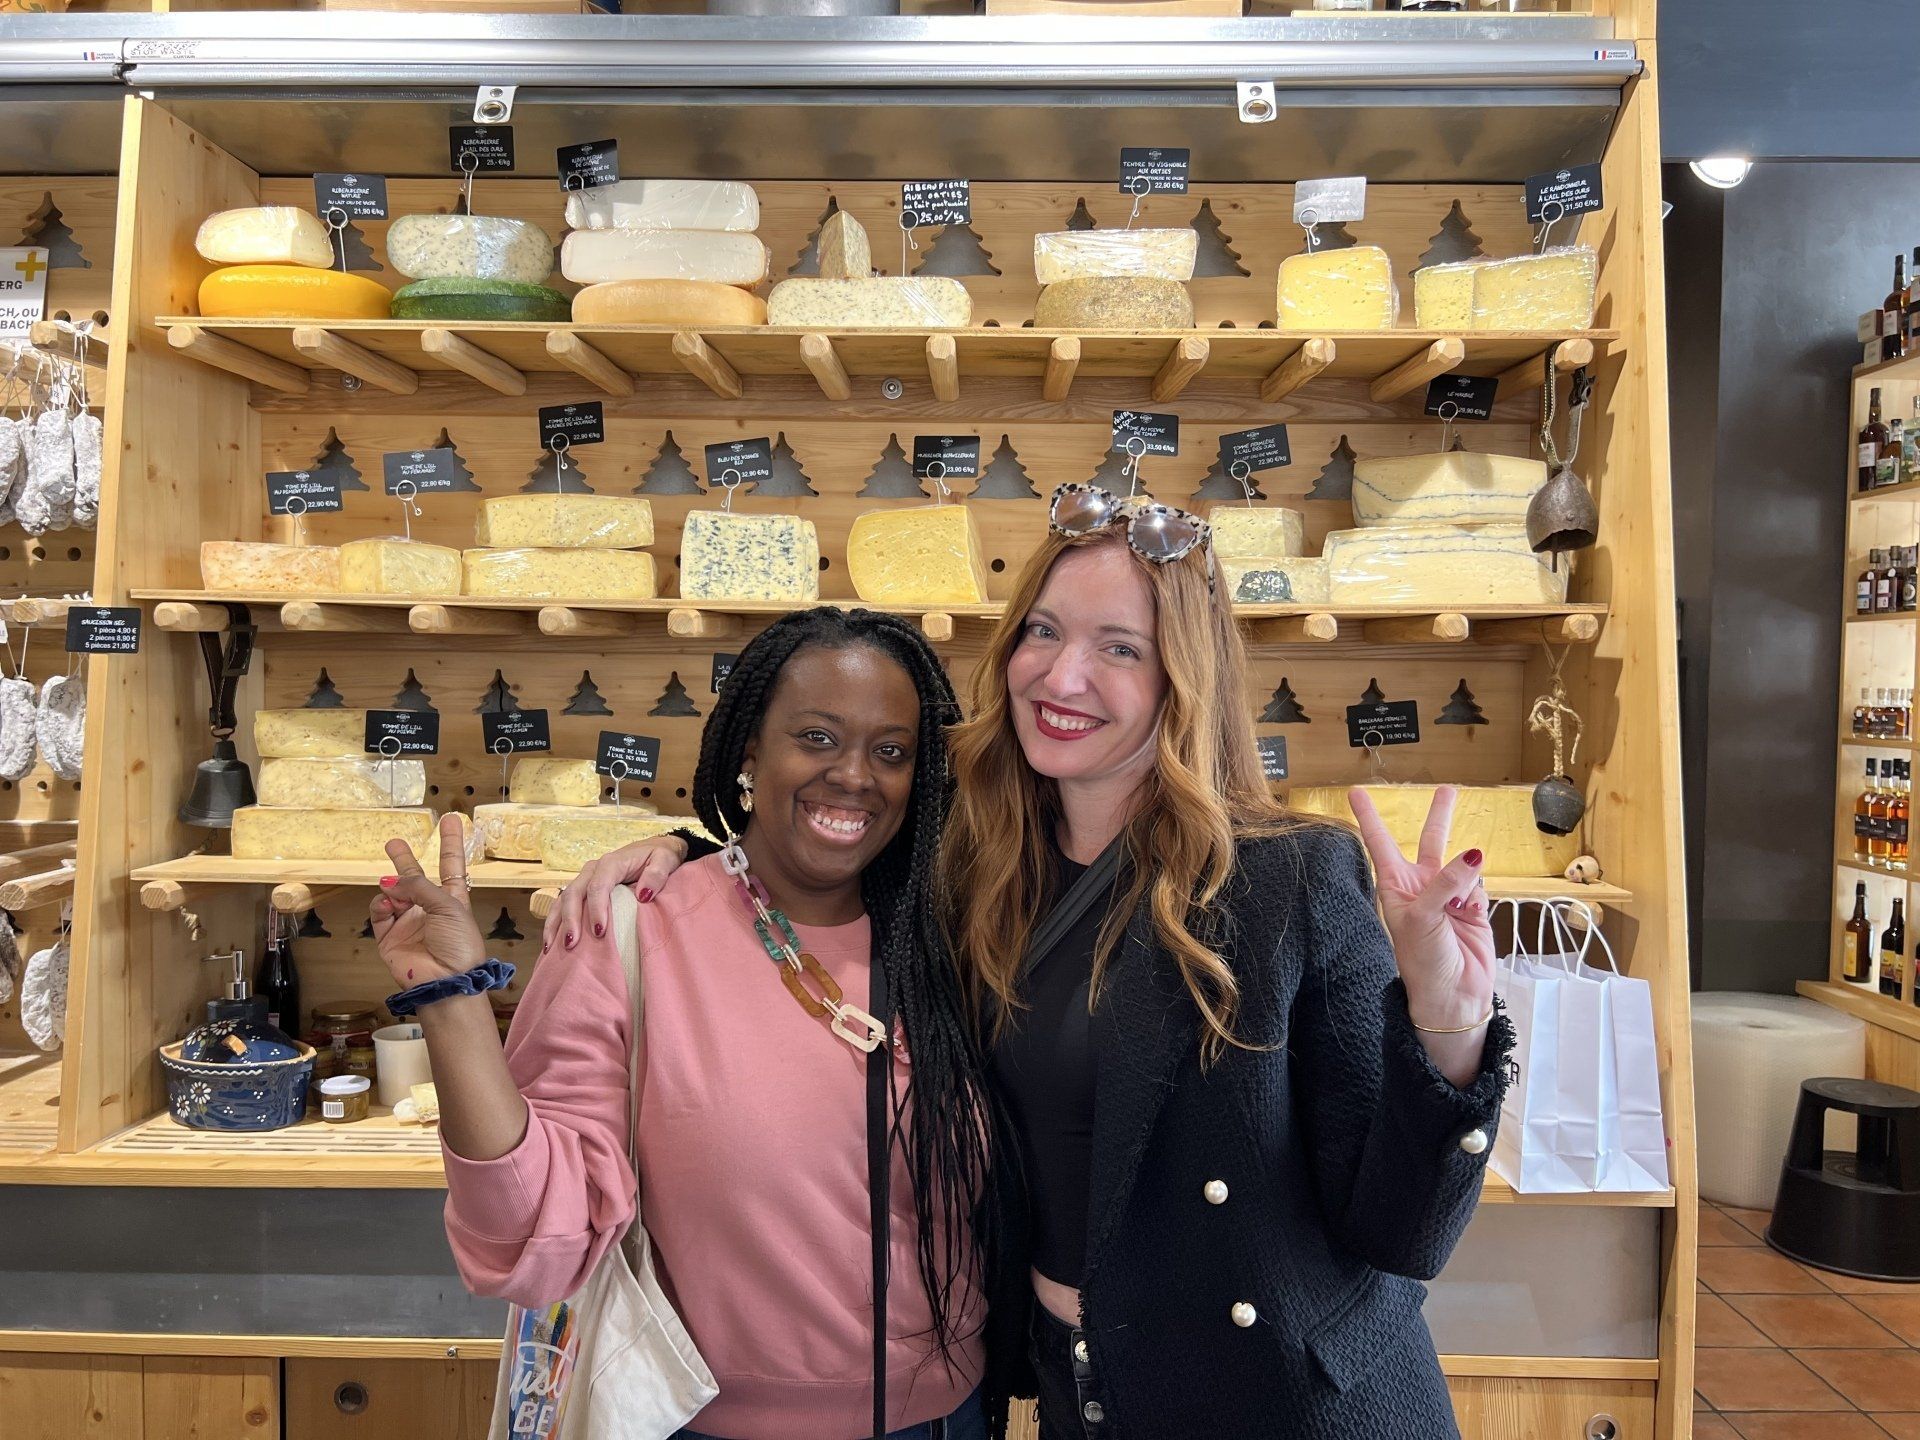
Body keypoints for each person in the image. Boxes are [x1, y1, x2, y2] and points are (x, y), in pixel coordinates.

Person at [544, 483, 1514, 1439]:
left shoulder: (1286, 877)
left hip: (1276, 1400)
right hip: (1075, 1392)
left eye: (1119, 649)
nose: (1061, 677)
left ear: (1185, 676)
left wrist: (1449, 1017)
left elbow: (1401, 1233)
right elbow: (821, 831)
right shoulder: (971, 860)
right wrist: (685, 853)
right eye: (1043, 632)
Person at [371, 607, 997, 1440]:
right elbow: (532, 1231)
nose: (854, 775)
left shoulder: (963, 938)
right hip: (700, 1421)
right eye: (815, 738)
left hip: (946, 1418)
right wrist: (451, 1000)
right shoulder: (634, 931)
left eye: (891, 751)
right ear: (749, 750)